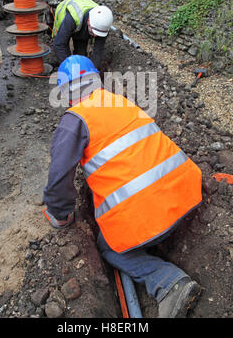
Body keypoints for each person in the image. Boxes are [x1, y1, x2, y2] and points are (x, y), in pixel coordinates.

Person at [43, 55, 202, 318]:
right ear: (96, 80)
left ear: (65, 93)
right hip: (186, 193)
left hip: (148, 218)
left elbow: (59, 177)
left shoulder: (75, 120)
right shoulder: (120, 101)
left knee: (107, 247)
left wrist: (60, 214)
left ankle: (168, 283)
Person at [52, 0, 113, 69]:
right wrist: (70, 68)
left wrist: (93, 70)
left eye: (98, 34)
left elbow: (98, 50)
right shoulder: (72, 18)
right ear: (88, 22)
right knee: (63, 47)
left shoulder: (102, 24)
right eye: (93, 32)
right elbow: (59, 45)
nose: (95, 35)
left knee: (81, 53)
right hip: (64, 14)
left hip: (83, 22)